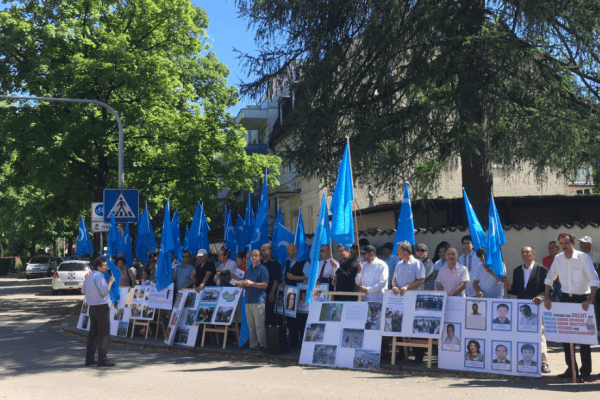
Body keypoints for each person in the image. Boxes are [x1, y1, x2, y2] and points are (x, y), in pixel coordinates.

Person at [544, 233, 599, 382]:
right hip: (565, 299)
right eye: (561, 243)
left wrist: (590, 300)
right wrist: (547, 297)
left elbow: (595, 280)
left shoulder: (583, 257)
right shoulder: (558, 258)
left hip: (582, 300)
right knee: (566, 336)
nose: (564, 246)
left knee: (584, 338)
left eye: (566, 243)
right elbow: (549, 278)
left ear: (573, 242)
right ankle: (571, 368)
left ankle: (586, 371)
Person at [505, 245, 550, 372]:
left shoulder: (541, 269)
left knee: (539, 334)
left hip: (536, 307)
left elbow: (547, 289)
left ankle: (543, 362)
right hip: (522, 309)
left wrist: (541, 297)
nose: (525, 254)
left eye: (528, 252)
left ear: (533, 254)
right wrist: (509, 288)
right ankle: (524, 361)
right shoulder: (517, 270)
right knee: (522, 334)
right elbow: (516, 290)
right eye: (523, 252)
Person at [391, 241, 426, 362]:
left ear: (405, 252)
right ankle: (402, 354)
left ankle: (419, 356)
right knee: (400, 325)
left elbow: (421, 280)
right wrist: (394, 286)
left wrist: (407, 286)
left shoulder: (417, 263)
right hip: (400, 301)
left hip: (414, 300)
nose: (397, 253)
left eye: (399, 251)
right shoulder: (399, 264)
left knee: (415, 327)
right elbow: (394, 279)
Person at [82, 257, 115, 367]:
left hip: (92, 307)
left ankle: (89, 359)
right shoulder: (99, 277)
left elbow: (83, 291)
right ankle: (102, 360)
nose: (106, 268)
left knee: (93, 334)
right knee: (104, 334)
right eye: (105, 266)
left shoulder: (88, 277)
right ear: (99, 266)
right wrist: (110, 282)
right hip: (101, 307)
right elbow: (105, 291)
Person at [238, 249, 269, 354]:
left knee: (259, 324)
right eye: (252, 256)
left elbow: (265, 284)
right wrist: (242, 284)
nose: (254, 258)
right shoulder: (248, 270)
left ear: (260, 257)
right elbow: (246, 284)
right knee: (251, 325)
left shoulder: (263, 269)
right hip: (248, 299)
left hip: (258, 300)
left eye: (256, 256)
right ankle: (253, 345)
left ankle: (263, 346)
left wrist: (252, 283)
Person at [282, 243, 308, 348]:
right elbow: (284, 276)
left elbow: (308, 277)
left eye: (289, 249)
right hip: (290, 294)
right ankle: (293, 342)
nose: (287, 251)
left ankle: (302, 342)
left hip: (300, 295)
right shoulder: (288, 262)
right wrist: (283, 281)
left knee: (301, 319)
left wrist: (295, 278)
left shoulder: (304, 263)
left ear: (295, 251)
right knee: (290, 318)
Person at [260, 244, 281, 326]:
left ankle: (270, 337)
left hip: (268, 293)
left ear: (270, 251)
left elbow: (276, 280)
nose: (261, 252)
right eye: (261, 250)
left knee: (269, 316)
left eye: (263, 250)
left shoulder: (275, 263)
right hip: (258, 294)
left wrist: (272, 292)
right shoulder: (259, 263)